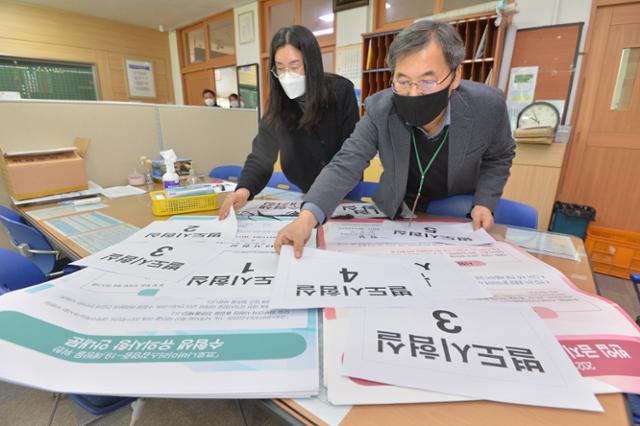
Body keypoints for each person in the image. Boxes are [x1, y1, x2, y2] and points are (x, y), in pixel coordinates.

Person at [275, 20, 516, 257]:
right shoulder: (381, 109)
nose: (413, 93)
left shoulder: (488, 106)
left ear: (455, 76)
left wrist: (484, 202)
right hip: (401, 208)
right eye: (402, 81)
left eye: (427, 81)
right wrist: (307, 219)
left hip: (459, 212)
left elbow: (499, 156)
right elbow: (346, 163)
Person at [219, 25, 359, 218]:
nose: (287, 76)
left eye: (294, 66)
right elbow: (261, 156)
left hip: (343, 189)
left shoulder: (340, 91)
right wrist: (244, 190)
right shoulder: (278, 103)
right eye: (280, 68)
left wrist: (319, 203)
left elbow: (352, 154)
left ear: (312, 64)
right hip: (305, 189)